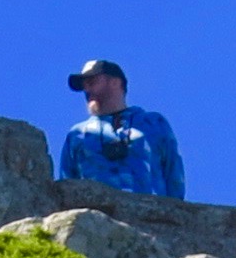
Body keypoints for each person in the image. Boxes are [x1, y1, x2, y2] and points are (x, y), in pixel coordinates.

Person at [57, 58, 185, 199]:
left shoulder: (153, 123)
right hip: (97, 218)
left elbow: (174, 176)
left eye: (91, 82)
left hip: (149, 215)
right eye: (84, 86)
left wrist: (173, 215)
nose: (87, 90)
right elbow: (67, 183)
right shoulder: (78, 135)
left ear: (115, 82)